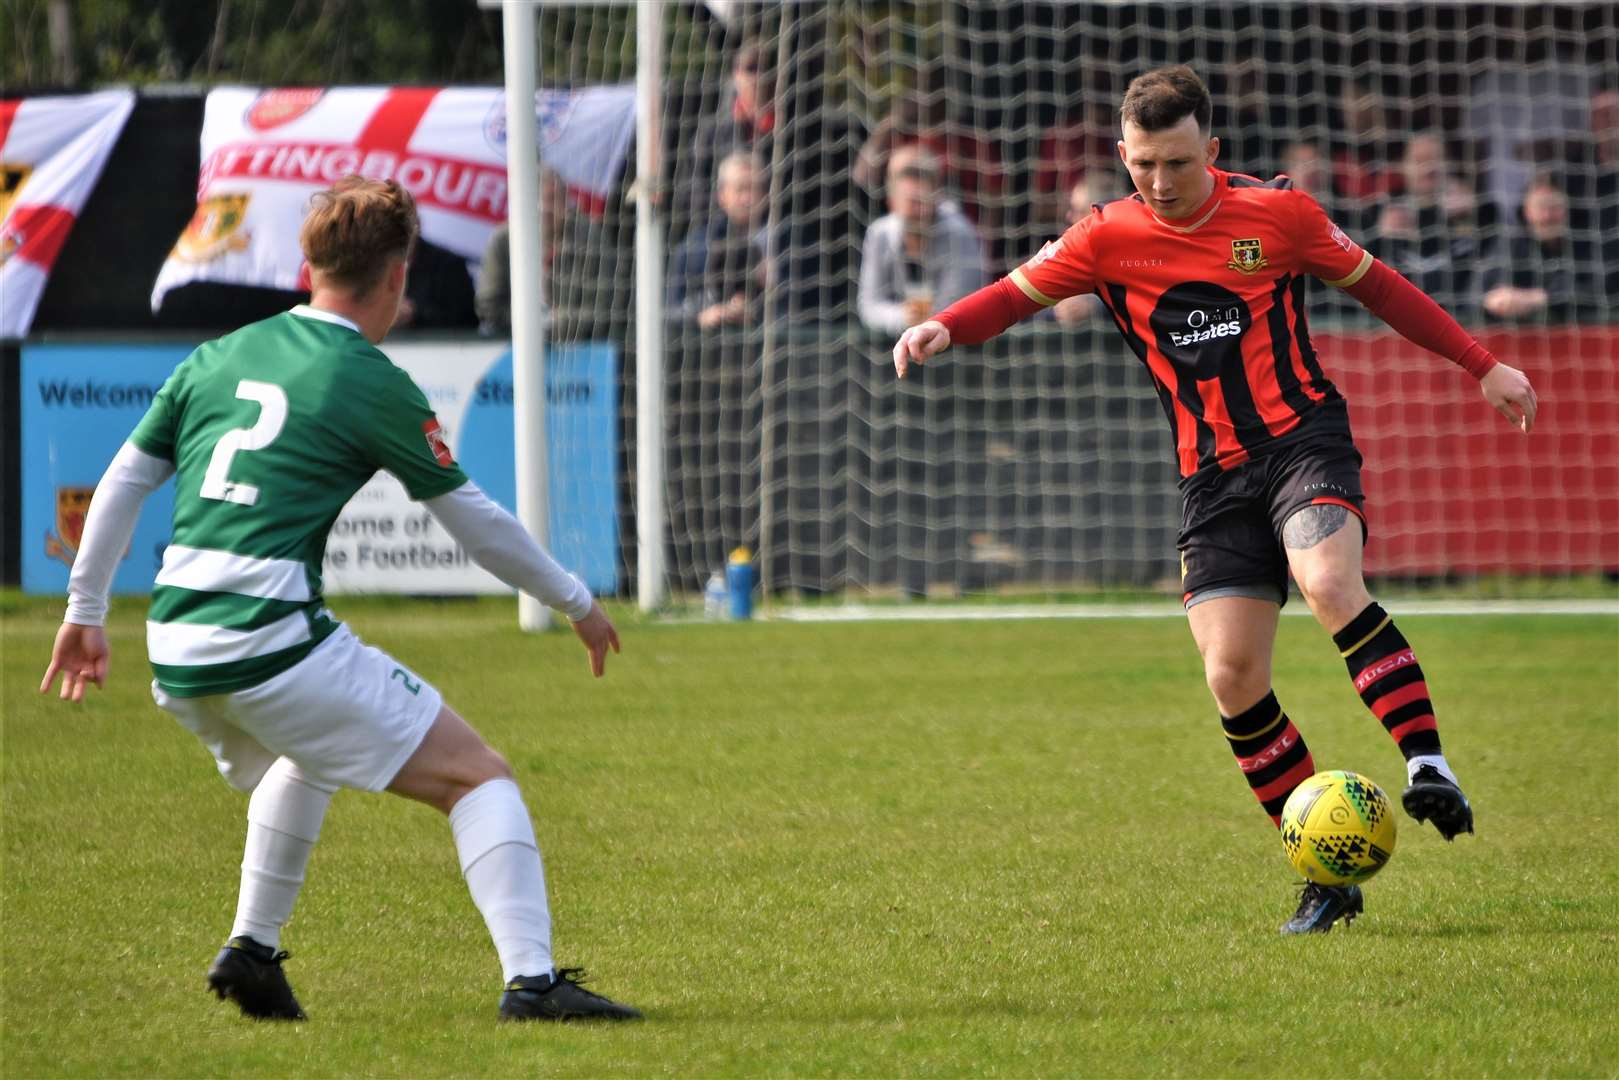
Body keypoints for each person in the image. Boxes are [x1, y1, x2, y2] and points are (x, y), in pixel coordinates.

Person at [892, 66, 1538, 936]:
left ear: (1214, 150)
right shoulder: (1103, 237)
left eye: (1179, 164)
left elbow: (1380, 288)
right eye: (1144, 164)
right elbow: (1011, 295)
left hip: (1302, 441)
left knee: (1326, 584)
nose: (1160, 183)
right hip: (1211, 479)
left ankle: (1428, 764)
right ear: (1123, 154)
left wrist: (1481, 364)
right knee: (1231, 677)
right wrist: (944, 325)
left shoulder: (1280, 216)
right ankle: (1323, 875)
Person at [38, 177, 641, 1023]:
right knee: (479, 779)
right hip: (265, 636)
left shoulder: (219, 355)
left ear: (304, 266)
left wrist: (86, 612)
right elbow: (473, 521)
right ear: (398, 277)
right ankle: (533, 984)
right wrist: (576, 599)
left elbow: (124, 480)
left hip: (176, 642)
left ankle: (251, 951)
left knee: (306, 753)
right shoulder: (369, 378)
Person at [857, 147, 987, 336]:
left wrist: (925, 319)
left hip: (959, 344)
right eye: (910, 201)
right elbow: (869, 306)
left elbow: (960, 305)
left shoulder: (960, 233)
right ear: (891, 202)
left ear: (937, 198)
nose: (917, 210)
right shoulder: (879, 234)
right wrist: (902, 316)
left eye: (921, 201)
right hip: (896, 342)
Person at [1367, 133, 1496, 317]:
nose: (1428, 167)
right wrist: (1378, 235)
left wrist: (1477, 213)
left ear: (1450, 164)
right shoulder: (1383, 210)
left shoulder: (1479, 209)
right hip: (1398, 323)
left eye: (1436, 159)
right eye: (1419, 160)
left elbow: (1504, 255)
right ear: (1403, 166)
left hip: (1463, 320)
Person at [1480, 171, 1607, 324]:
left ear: (1568, 209)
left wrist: (1538, 298)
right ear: (1526, 211)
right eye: (1540, 207)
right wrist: (1496, 301)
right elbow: (1477, 294)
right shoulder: (1511, 245)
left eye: (1555, 207)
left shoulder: (1590, 242)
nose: (1547, 216)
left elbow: (1602, 291)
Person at [667, 149, 769, 328]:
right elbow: (672, 310)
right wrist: (702, 316)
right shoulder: (696, 247)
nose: (748, 198)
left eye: (755, 188)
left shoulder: (787, 241)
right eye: (741, 189)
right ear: (722, 195)